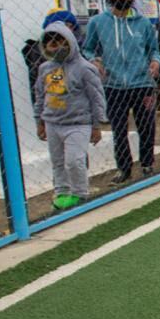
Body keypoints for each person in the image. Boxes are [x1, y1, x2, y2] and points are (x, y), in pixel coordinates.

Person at [82, 0, 160, 185]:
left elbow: (154, 49)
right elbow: (88, 48)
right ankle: (124, 169)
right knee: (119, 130)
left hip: (142, 83)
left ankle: (147, 164)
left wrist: (155, 61)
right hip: (113, 84)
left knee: (147, 127)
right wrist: (94, 61)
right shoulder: (98, 23)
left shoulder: (143, 24)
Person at [34, 22, 107, 210]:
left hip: (78, 122)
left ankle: (80, 193)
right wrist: (39, 121)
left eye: (61, 42)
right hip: (52, 122)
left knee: (74, 160)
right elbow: (40, 96)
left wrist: (97, 125)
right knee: (57, 161)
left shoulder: (85, 68)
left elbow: (96, 97)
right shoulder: (45, 69)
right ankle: (62, 192)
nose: (57, 47)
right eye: (52, 44)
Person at [23, 8, 83, 106]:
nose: (68, 29)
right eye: (65, 25)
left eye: (71, 26)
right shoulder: (37, 52)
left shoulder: (76, 48)